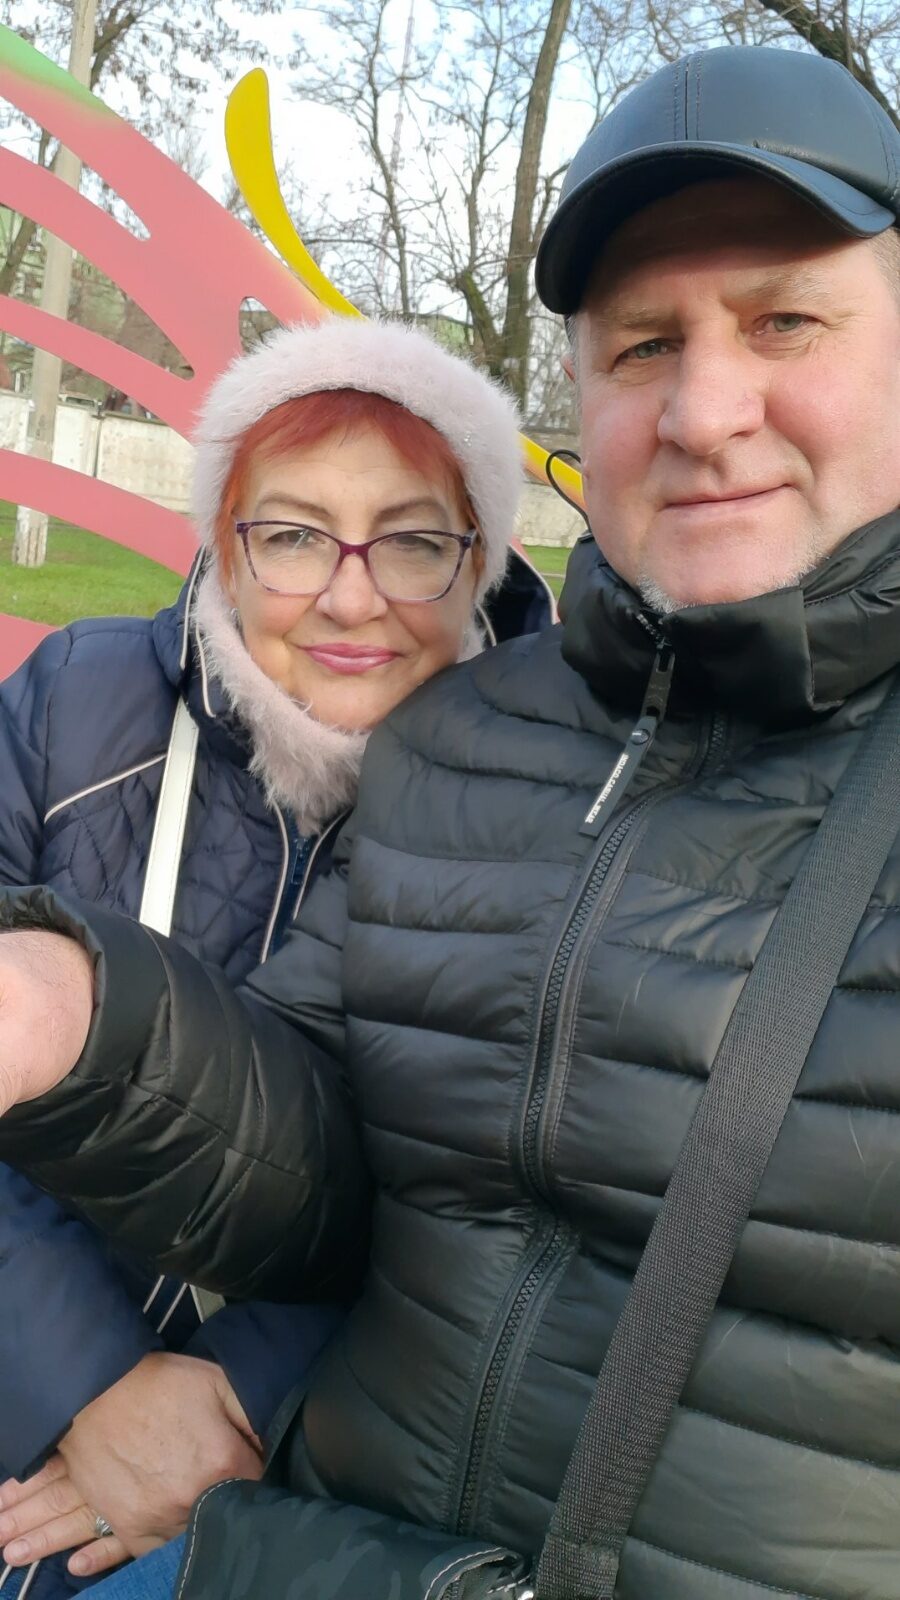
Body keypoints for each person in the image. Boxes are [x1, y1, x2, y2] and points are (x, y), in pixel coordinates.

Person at [0, 40, 899, 1600]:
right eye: (641, 345)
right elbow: (334, 1146)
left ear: (480, 556)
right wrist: (78, 1021)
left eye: (786, 321)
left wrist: (212, 1398)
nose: (705, 409)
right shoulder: (463, 747)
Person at [0, 315, 544, 1597]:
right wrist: (84, 1380)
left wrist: (235, 1392)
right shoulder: (76, 707)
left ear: (479, 560)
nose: (351, 597)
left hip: (294, 1472)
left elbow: (515, 1198)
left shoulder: (554, 797)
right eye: (293, 534)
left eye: (411, 540)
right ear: (223, 544)